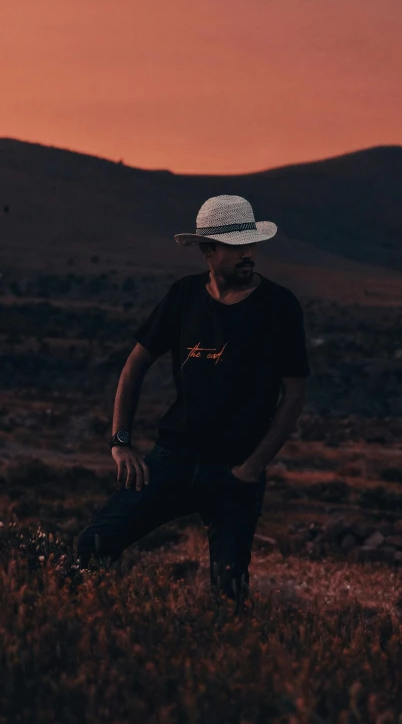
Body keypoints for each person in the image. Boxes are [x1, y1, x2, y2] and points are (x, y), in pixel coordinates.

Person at [76, 194, 310, 610]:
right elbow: (134, 365)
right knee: (93, 544)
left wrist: (252, 468)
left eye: (251, 244)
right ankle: (92, 637)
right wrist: (120, 442)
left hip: (235, 471)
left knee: (229, 592)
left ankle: (220, 666)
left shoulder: (279, 306)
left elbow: (293, 394)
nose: (249, 254)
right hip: (172, 459)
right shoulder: (184, 296)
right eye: (237, 246)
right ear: (208, 250)